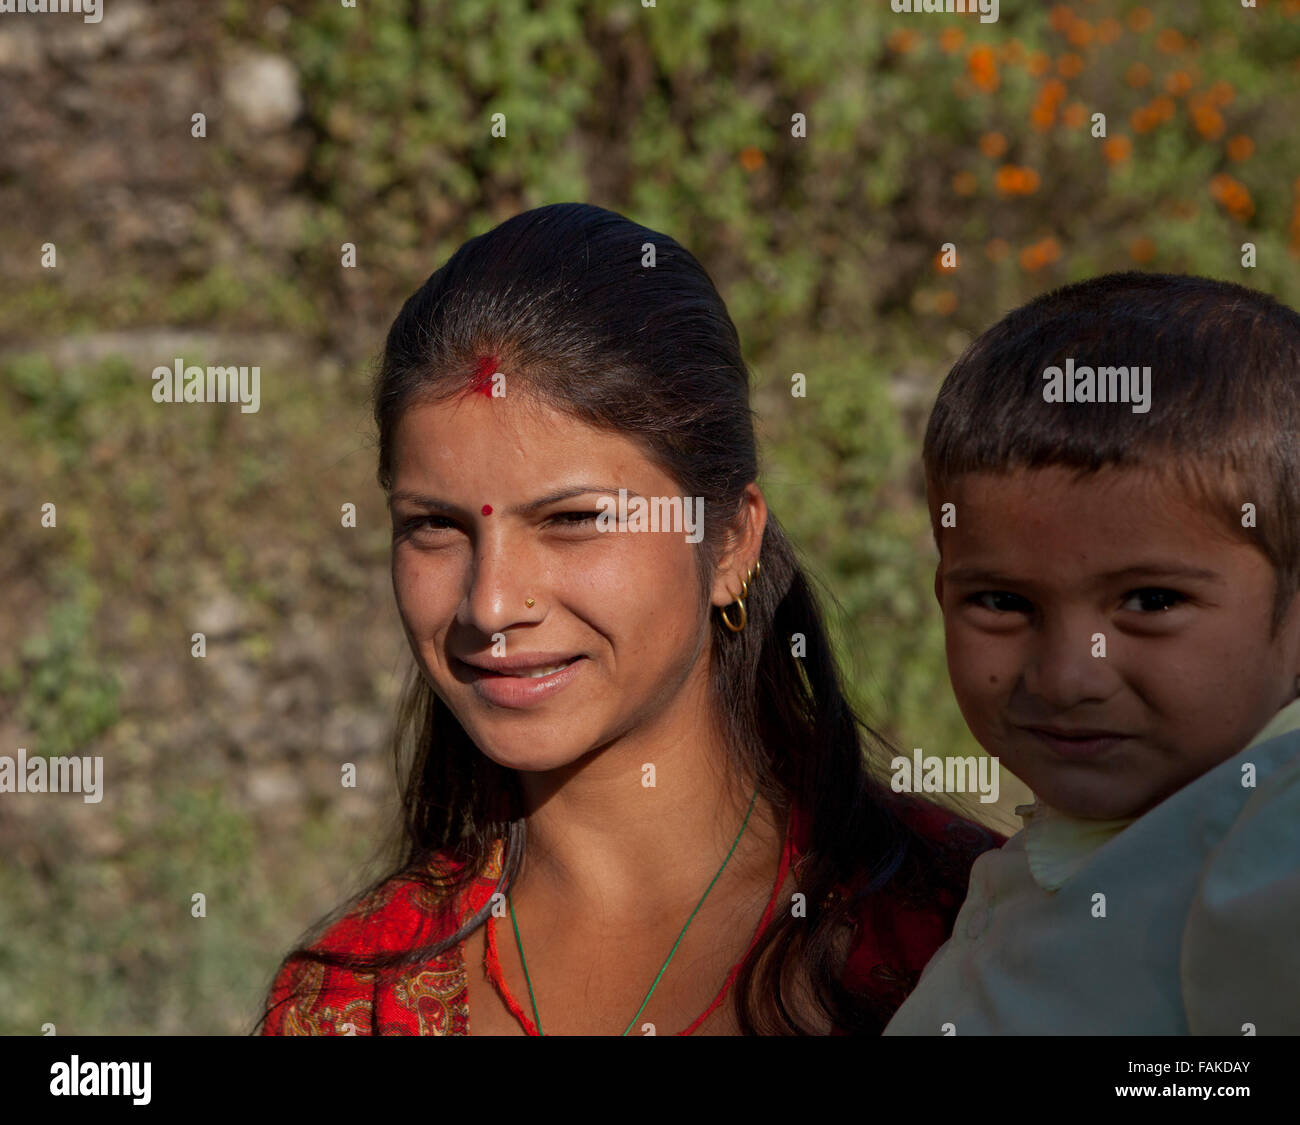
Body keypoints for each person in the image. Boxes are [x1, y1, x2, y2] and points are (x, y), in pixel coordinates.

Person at [257, 202, 1000, 1037]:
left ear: (727, 542)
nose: (492, 603)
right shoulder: (354, 1005)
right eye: (435, 525)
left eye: (573, 519)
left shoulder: (971, 936)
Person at [884, 272, 1300, 1035]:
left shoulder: (1276, 831)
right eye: (1003, 602)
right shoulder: (1084, 835)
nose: (1068, 675)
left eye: (1151, 602)